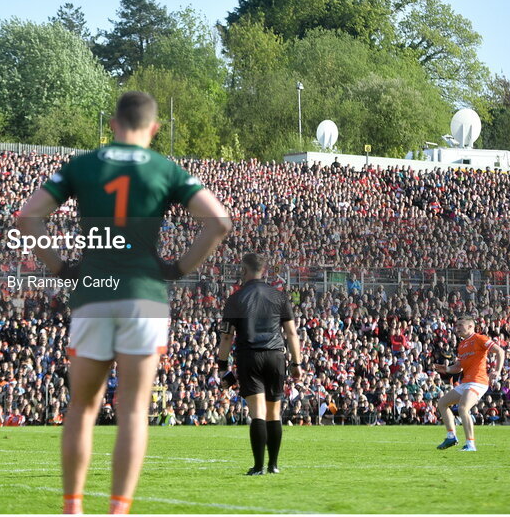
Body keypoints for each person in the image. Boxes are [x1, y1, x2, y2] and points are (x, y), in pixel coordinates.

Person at [17, 91, 232, 514]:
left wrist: (59, 266)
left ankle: (73, 507)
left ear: (113, 125)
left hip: (94, 293)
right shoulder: (167, 169)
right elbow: (219, 222)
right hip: (144, 297)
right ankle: (118, 510)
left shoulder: (83, 165)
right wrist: (180, 268)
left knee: (82, 406)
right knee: (133, 410)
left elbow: (28, 217)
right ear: (153, 129)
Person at [216, 253, 303, 475]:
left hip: (250, 356)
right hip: (275, 356)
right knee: (275, 413)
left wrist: (222, 366)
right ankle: (273, 465)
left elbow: (226, 337)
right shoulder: (279, 297)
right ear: (263, 270)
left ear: (244, 270)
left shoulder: (235, 299)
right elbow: (291, 333)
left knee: (258, 413)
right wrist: (296, 364)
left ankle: (258, 467)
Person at [433, 317, 505, 452]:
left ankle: (470, 445)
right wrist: (447, 369)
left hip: (478, 381)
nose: (457, 327)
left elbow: (500, 351)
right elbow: (459, 366)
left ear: (471, 326)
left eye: (461, 325)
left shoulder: (479, 338)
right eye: (456, 325)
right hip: (466, 382)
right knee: (442, 403)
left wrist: (497, 371)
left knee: (463, 408)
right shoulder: (462, 344)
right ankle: (451, 436)